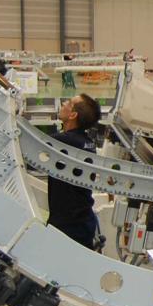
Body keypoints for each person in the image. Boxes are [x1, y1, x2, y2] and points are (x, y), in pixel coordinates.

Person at [48, 94, 102, 249]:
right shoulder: (86, 142)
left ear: (73, 115)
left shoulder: (65, 141)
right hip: (81, 223)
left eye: (69, 102)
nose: (64, 103)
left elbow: (28, 140)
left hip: (68, 227)